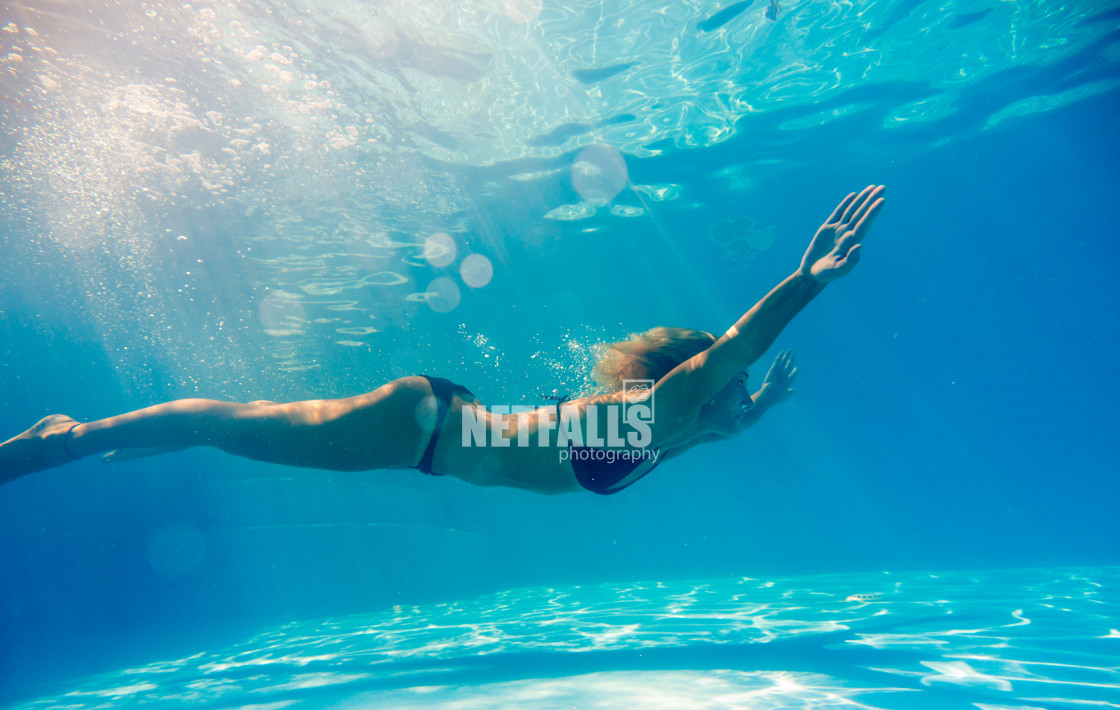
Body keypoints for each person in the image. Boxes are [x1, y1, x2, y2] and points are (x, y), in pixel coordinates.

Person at [0, 185, 885, 495]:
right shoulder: (659, 409)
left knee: (248, 429)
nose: (734, 396)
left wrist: (752, 416)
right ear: (684, 379)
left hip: (435, 425)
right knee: (238, 422)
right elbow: (732, 351)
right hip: (421, 431)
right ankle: (72, 439)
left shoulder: (658, 429)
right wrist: (805, 284)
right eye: (725, 392)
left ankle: (128, 438)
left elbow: (706, 425)